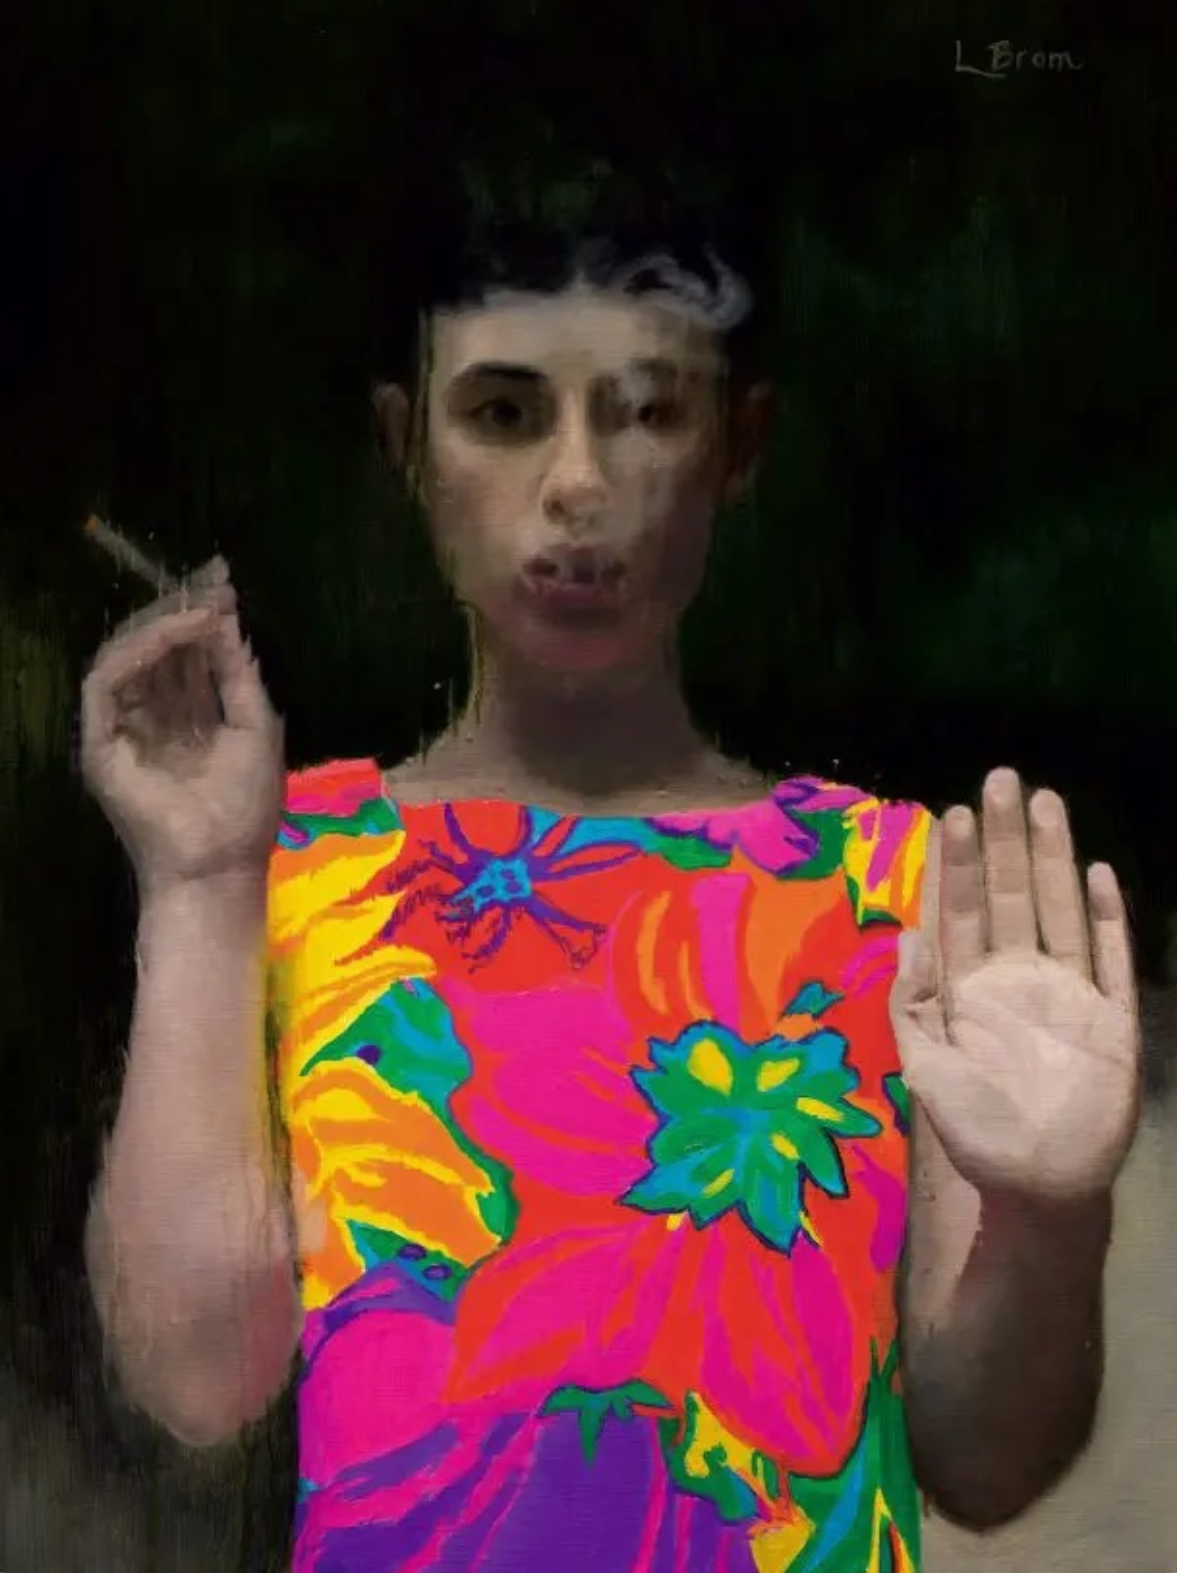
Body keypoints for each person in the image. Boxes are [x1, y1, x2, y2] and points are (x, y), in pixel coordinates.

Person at [78, 160, 1141, 1573]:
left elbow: (986, 1463)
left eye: (645, 411)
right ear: (408, 443)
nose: (576, 484)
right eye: (503, 412)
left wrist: (1049, 1212)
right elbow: (200, 1380)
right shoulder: (289, 860)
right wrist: (195, 887)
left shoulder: (886, 881)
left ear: (738, 444)